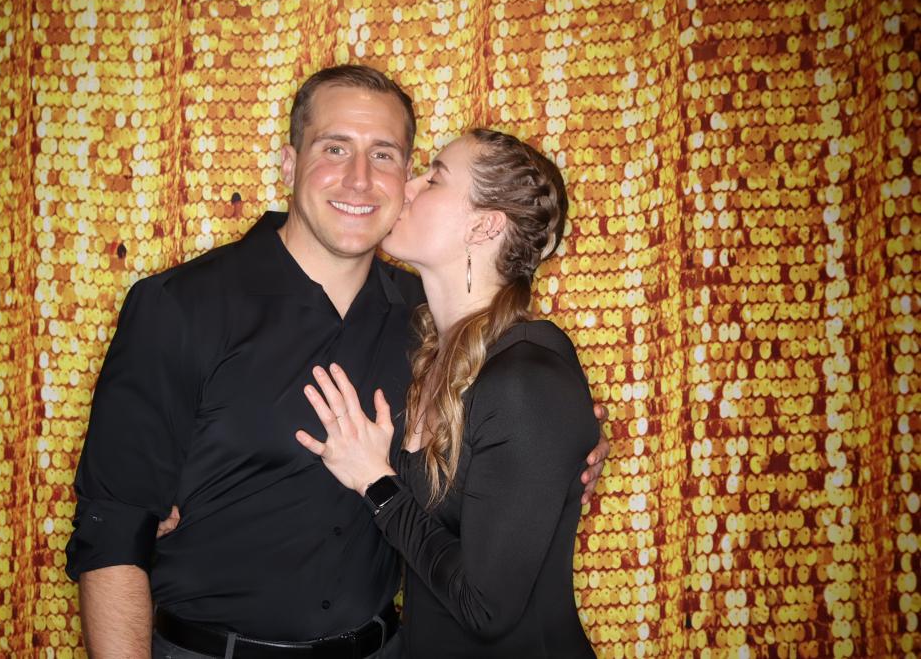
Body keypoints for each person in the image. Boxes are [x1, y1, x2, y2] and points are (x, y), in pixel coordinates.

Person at [65, 65, 609, 658]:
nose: (359, 179)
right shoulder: (179, 308)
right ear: (289, 164)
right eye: (334, 148)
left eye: (384, 155)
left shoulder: (432, 325)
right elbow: (111, 534)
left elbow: (519, 428)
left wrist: (563, 457)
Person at [296, 129, 599, 657]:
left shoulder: (527, 378)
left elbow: (486, 609)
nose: (406, 186)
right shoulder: (428, 353)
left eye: (433, 179)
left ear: (485, 225)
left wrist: (376, 483)